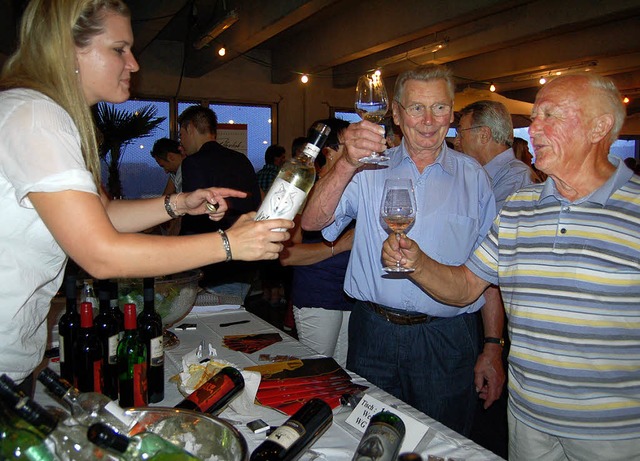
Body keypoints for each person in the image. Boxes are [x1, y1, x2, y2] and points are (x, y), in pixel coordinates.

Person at [0, 0, 292, 388]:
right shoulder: (38, 116)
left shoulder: (42, 113)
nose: (134, 64)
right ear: (68, 49)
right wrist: (229, 243)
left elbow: (101, 213)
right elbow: (101, 253)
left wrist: (177, 203)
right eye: (119, 49)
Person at [381, 72, 640, 461]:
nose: (533, 128)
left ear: (599, 127)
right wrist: (415, 262)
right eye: (534, 117)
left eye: (550, 116)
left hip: (614, 433)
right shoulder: (520, 206)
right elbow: (467, 285)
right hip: (527, 423)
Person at [301, 65, 499, 436]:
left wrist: (491, 346)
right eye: (416, 108)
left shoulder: (475, 178)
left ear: (452, 112)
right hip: (373, 331)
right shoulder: (367, 167)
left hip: (447, 339)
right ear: (395, 112)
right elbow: (312, 222)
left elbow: (487, 275)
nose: (428, 121)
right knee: (366, 438)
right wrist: (346, 161)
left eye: (439, 108)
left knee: (442, 442)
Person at [456, 99, 533, 457]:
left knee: (486, 405)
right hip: (479, 299)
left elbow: (481, 245)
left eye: (460, 131)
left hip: (495, 307)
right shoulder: (485, 175)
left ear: (482, 134)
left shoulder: (515, 178)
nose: (455, 140)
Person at [280, 118, 355, 368]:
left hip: (352, 295)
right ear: (329, 151)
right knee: (319, 373)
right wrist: (337, 247)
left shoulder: (354, 187)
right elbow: (287, 255)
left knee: (345, 376)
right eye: (349, 144)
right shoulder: (306, 188)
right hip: (319, 296)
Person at [178, 105, 262, 300]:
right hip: (244, 260)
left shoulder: (193, 162)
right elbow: (256, 201)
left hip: (211, 261)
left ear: (190, 128)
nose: (181, 142)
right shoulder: (241, 160)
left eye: (181, 134)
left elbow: (195, 214)